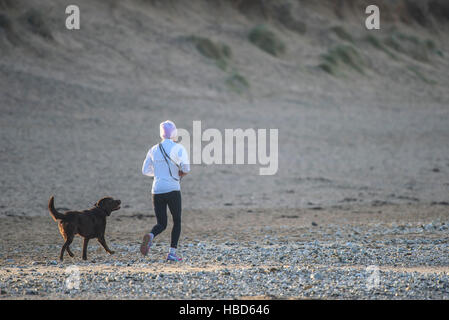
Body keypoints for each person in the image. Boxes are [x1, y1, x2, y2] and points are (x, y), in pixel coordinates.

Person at [140, 120, 190, 262]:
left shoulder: (153, 149)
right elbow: (186, 169)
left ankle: (151, 235)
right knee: (177, 221)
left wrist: (158, 174)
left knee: (161, 223)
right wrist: (180, 173)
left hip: (157, 190)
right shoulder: (178, 148)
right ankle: (172, 253)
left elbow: (145, 171)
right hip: (173, 189)